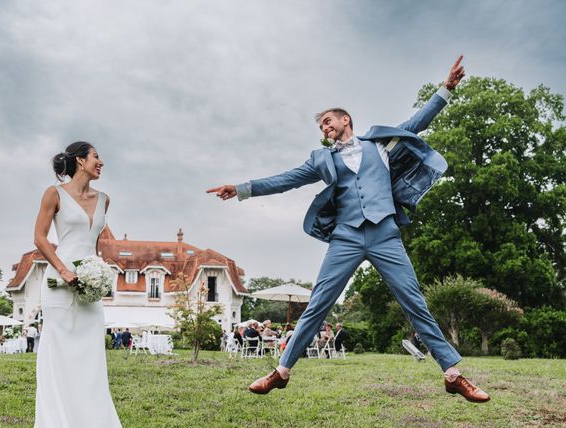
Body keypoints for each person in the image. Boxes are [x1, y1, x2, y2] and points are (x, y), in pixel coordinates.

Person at [207, 56, 489, 403]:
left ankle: (452, 374)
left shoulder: (378, 145)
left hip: (385, 234)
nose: (324, 128)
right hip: (346, 237)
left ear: (345, 120)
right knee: (317, 305)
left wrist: (446, 88)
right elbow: (286, 179)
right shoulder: (322, 159)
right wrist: (241, 188)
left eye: (328, 121)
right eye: (321, 126)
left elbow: (416, 122)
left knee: (414, 302)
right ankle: (281, 372)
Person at [0, 141, 130, 428]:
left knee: (90, 358)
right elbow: (39, 237)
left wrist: (96, 272)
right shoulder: (53, 194)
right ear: (80, 160)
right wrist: (64, 269)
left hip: (89, 286)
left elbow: (94, 244)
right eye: (96, 157)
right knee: (59, 357)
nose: (101, 162)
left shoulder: (104, 200)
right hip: (59, 282)